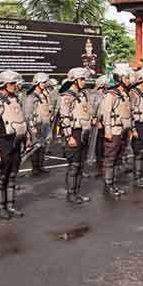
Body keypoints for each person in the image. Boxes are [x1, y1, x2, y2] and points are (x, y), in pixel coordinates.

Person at [0, 70, 28, 220]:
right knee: (1, 176)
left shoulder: (15, 98)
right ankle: (0, 208)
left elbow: (21, 120)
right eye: (11, 83)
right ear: (3, 84)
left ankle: (10, 206)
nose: (15, 86)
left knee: (13, 175)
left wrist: (26, 138)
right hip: (3, 142)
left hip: (15, 142)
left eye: (15, 83)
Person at [59, 67, 92, 204]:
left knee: (80, 165)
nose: (84, 82)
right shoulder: (67, 97)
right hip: (74, 133)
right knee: (74, 165)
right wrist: (68, 137)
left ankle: (77, 192)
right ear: (74, 80)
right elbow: (64, 118)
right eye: (82, 79)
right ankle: (71, 194)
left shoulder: (82, 94)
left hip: (84, 132)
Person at [100, 67, 133, 196]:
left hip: (123, 129)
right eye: (126, 77)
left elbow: (128, 113)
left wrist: (130, 128)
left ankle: (113, 183)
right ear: (119, 79)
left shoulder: (125, 93)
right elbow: (106, 113)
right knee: (110, 159)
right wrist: (107, 130)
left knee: (117, 158)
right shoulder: (111, 94)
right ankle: (108, 185)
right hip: (113, 130)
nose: (128, 80)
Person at [23, 72, 52, 177]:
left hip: (45, 123)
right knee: (35, 147)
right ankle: (35, 168)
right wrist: (32, 127)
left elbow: (48, 107)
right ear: (37, 83)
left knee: (43, 145)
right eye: (43, 82)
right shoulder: (31, 97)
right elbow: (28, 114)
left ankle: (41, 166)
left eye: (45, 82)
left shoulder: (45, 94)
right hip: (36, 125)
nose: (45, 84)